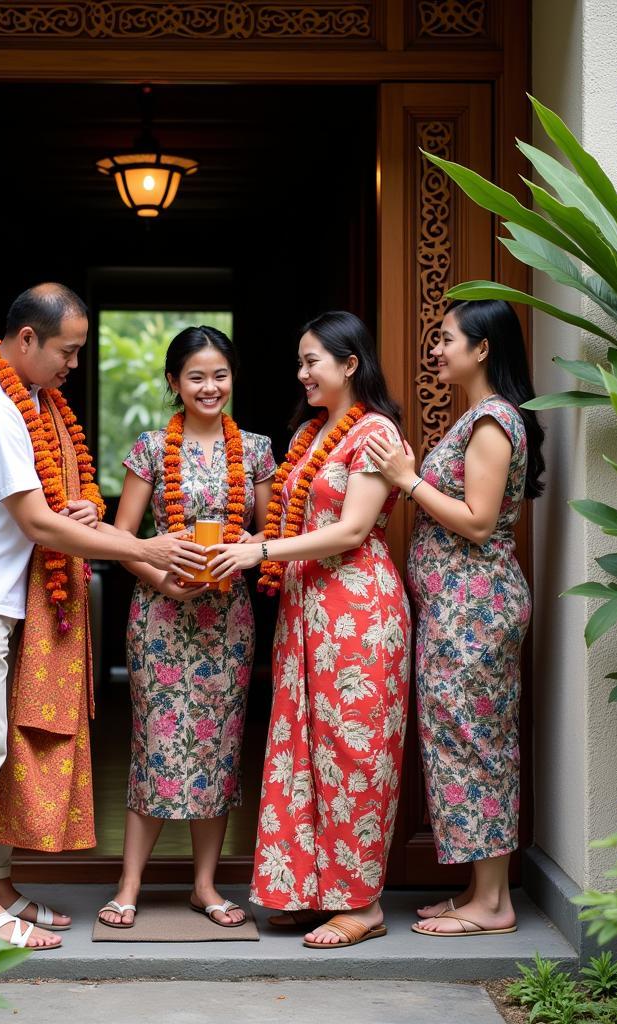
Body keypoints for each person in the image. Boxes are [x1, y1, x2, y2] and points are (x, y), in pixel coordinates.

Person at [0, 283, 206, 950]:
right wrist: (142, 546)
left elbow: (48, 510)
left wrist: (79, 512)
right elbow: (34, 521)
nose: (74, 364)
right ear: (26, 341)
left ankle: (0, 886)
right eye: (67, 352)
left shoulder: (33, 403)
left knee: (2, 748)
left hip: (2, 598)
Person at [208, 310, 410, 949]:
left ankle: (362, 903)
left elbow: (352, 530)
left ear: (350, 364)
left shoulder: (373, 432)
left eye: (311, 361)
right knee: (301, 751)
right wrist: (259, 540)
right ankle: (306, 890)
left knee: (354, 752)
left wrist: (262, 554)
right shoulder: (310, 436)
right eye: (299, 361)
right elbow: (298, 524)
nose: (301, 374)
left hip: (358, 611)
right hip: (306, 612)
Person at [366, 298, 544, 937]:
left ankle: (493, 903)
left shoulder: (493, 423)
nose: (435, 350)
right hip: (455, 610)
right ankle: (478, 888)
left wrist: (407, 480)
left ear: (483, 348)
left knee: (476, 743)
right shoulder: (478, 418)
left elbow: (478, 521)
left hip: (477, 610)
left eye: (446, 339)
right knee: (459, 740)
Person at [97, 325, 276, 930]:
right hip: (161, 618)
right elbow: (119, 539)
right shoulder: (151, 447)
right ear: (174, 383)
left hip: (228, 620)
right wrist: (158, 573)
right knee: (155, 745)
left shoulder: (255, 449)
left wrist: (245, 549)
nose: (210, 386)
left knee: (218, 748)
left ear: (233, 377)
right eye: (196, 376)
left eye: (219, 374)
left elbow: (266, 535)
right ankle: (128, 886)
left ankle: (205, 885)